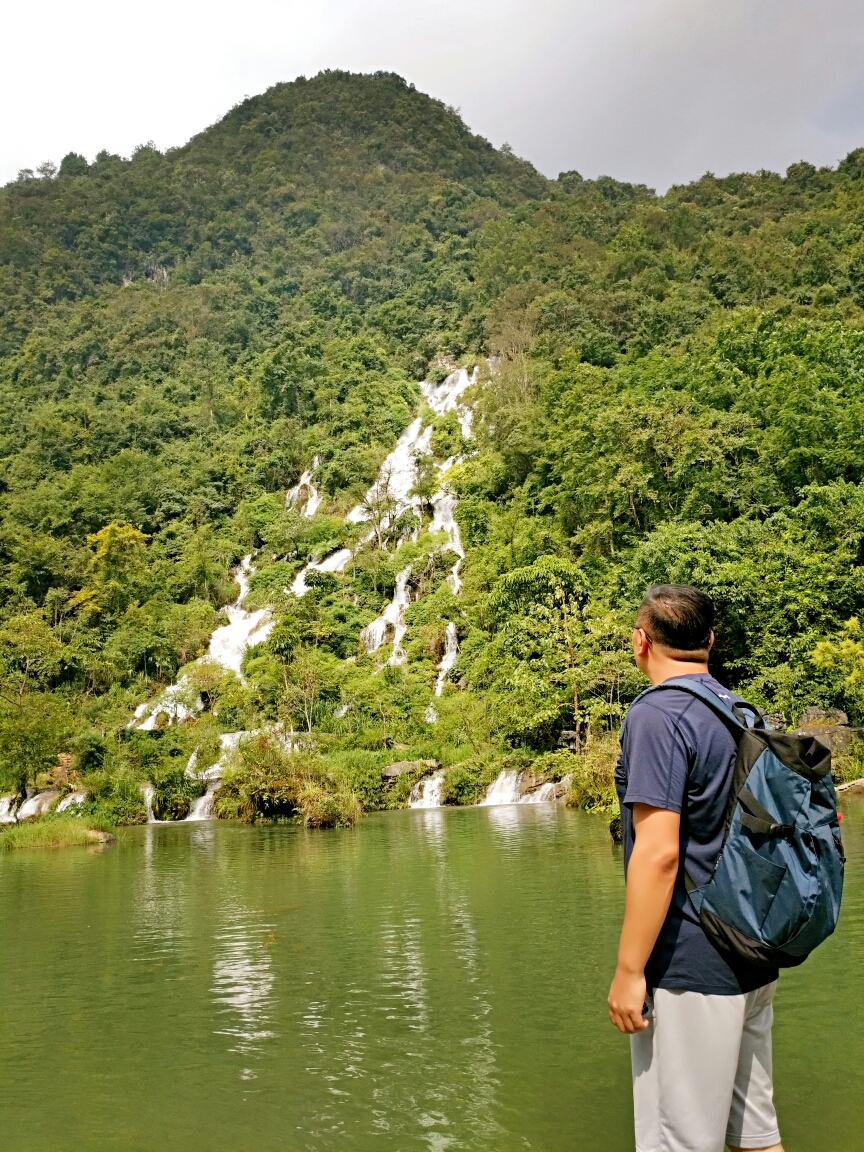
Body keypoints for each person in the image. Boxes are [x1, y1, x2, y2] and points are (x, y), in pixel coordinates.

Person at [608, 584, 784, 1152]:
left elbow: (658, 855)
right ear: (710, 640)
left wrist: (630, 971)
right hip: (749, 956)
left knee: (678, 1143)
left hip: (690, 965)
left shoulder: (659, 715)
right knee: (755, 1137)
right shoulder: (737, 711)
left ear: (641, 642)